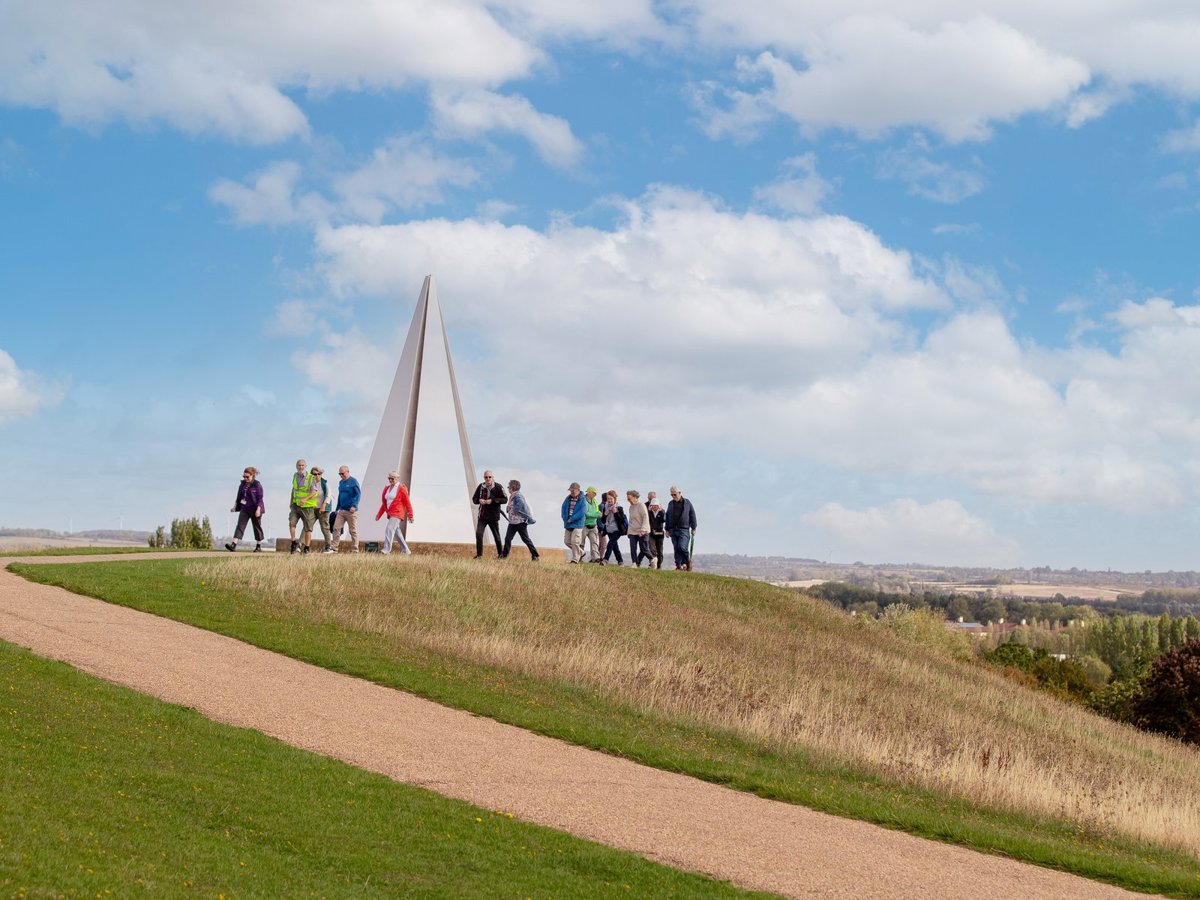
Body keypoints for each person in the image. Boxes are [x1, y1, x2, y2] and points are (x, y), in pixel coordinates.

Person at [225, 466, 264, 552]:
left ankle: (258, 546)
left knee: (257, 527)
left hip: (255, 509)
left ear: (252, 475)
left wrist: (258, 509)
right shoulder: (242, 484)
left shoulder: (257, 485)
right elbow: (239, 496)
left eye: (247, 477)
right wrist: (234, 507)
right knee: (240, 525)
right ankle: (233, 544)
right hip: (245, 508)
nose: (245, 478)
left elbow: (260, 498)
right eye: (244, 476)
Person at [375, 472, 414, 555]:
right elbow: (384, 503)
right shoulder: (387, 489)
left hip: (397, 513)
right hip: (390, 513)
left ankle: (386, 550)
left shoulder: (401, 489)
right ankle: (406, 551)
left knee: (389, 529)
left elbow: (407, 502)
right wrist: (379, 514)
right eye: (389, 478)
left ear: (397, 478)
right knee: (397, 532)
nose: (390, 480)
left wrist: (410, 515)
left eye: (392, 478)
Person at [501, 479, 539, 560]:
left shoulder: (518, 495)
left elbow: (520, 503)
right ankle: (504, 556)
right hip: (512, 523)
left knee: (525, 539)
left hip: (520, 522)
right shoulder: (513, 495)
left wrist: (514, 510)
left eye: (509, 487)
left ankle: (535, 555)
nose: (508, 488)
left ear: (512, 487)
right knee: (508, 538)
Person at [471, 470, 507, 558]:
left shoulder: (498, 487)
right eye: (486, 477)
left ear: (492, 477)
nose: (488, 479)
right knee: (479, 534)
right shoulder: (481, 486)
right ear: (484, 478)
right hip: (482, 516)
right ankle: (479, 555)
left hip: (493, 516)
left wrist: (492, 501)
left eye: (489, 477)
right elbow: (474, 499)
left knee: (496, 536)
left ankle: (500, 555)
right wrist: (479, 500)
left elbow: (505, 499)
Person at [288, 458, 320, 554]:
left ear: (305, 466)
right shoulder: (294, 476)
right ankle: (293, 542)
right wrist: (291, 502)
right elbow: (294, 490)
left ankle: (306, 547)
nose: (300, 467)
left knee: (307, 528)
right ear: (296, 466)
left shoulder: (311, 478)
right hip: (296, 505)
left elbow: (314, 491)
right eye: (299, 465)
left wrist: (305, 499)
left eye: (302, 465)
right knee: (292, 523)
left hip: (308, 506)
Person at [327, 465, 361, 553]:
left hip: (351, 511)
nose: (341, 475)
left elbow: (358, 494)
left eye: (342, 473)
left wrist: (354, 505)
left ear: (348, 472)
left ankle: (355, 549)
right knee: (336, 528)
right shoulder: (341, 482)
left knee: (352, 530)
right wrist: (337, 508)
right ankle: (334, 548)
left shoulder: (354, 481)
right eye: (340, 474)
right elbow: (340, 496)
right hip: (342, 510)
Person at [666, 486, 697, 570]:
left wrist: (693, 528)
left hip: (684, 529)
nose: (673, 496)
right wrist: (667, 529)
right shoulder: (670, 504)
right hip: (673, 529)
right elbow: (667, 516)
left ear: (680, 493)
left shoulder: (687, 503)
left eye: (675, 494)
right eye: (671, 495)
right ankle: (678, 565)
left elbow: (692, 515)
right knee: (676, 548)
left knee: (682, 547)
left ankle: (687, 560)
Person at [561, 482, 586, 563]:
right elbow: (563, 509)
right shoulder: (567, 499)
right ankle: (581, 552)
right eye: (570, 490)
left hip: (578, 524)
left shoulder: (583, 500)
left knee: (575, 542)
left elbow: (582, 512)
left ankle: (575, 560)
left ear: (578, 490)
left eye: (573, 490)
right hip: (568, 524)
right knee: (567, 541)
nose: (571, 492)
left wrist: (572, 519)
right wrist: (565, 518)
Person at [626, 490, 652, 567]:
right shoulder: (631, 507)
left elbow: (645, 517)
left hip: (642, 530)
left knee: (644, 548)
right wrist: (629, 532)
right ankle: (634, 563)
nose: (628, 500)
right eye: (627, 499)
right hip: (633, 531)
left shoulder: (641, 505)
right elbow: (631, 520)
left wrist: (643, 529)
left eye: (629, 498)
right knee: (633, 548)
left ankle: (652, 559)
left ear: (635, 497)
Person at [312, 466, 334, 552]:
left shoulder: (325, 483)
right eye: (314, 474)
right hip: (313, 508)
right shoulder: (310, 483)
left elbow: (328, 495)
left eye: (319, 474)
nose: (317, 476)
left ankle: (328, 546)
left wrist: (324, 505)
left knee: (324, 527)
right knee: (307, 527)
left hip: (323, 509)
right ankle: (299, 546)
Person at [601, 490, 627, 565]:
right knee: (614, 546)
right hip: (609, 529)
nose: (609, 500)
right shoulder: (605, 507)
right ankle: (620, 561)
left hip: (617, 529)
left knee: (610, 544)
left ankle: (605, 560)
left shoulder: (619, 507)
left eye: (611, 498)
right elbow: (603, 521)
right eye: (608, 498)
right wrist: (605, 514)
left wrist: (615, 513)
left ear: (615, 499)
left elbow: (621, 520)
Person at [582, 486, 602, 561]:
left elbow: (598, 512)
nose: (595, 495)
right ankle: (579, 557)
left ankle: (595, 558)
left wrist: (595, 514)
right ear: (589, 492)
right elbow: (586, 513)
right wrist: (595, 515)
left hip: (593, 525)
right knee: (581, 542)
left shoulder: (594, 501)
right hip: (584, 525)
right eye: (594, 493)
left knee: (594, 542)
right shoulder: (583, 501)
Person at [647, 497, 667, 570]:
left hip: (660, 533)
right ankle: (653, 563)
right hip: (651, 533)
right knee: (652, 548)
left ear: (659, 506)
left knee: (660, 550)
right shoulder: (649, 512)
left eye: (656, 505)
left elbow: (664, 519)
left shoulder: (662, 512)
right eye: (653, 505)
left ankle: (659, 566)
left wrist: (661, 511)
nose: (654, 507)